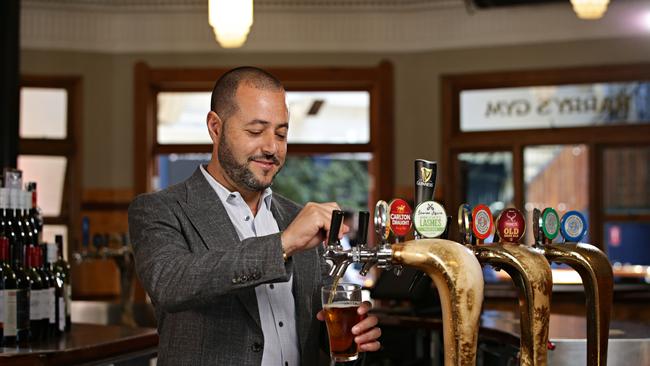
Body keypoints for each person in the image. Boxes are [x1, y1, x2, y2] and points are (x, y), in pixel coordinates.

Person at [128, 66, 381, 366]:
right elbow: (171, 282)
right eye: (255, 131)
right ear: (215, 127)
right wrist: (282, 245)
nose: (271, 147)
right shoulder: (160, 209)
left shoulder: (295, 218)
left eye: (281, 133)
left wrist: (352, 339)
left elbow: (317, 332)